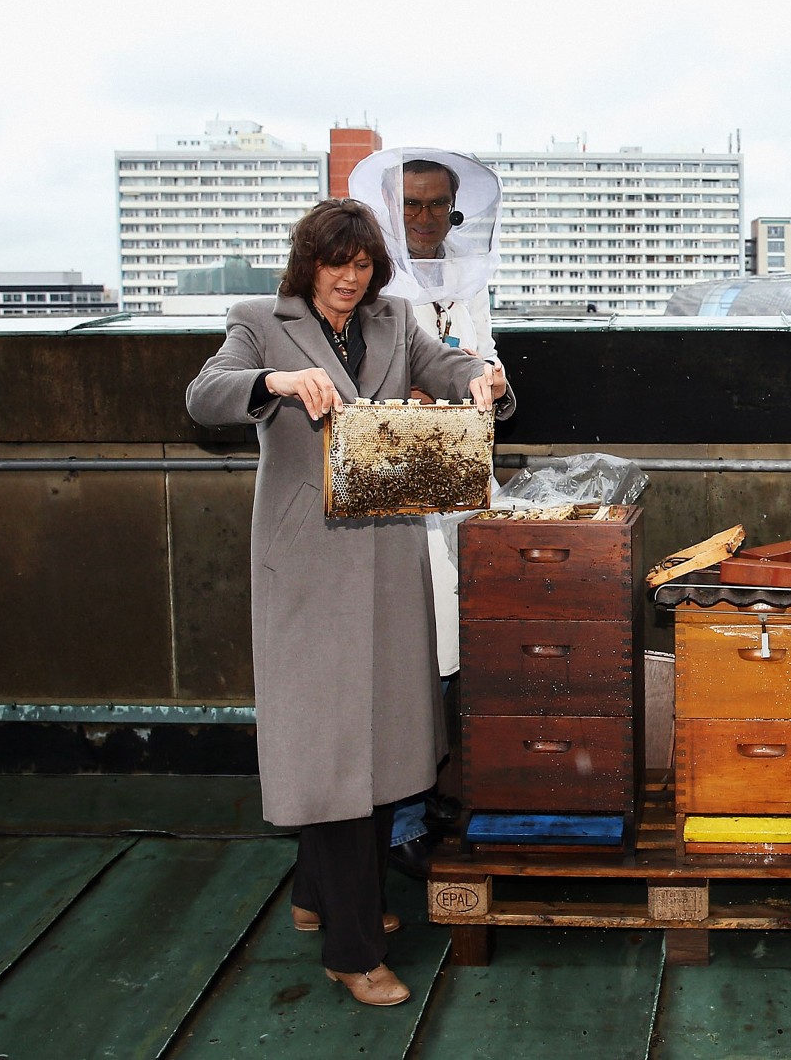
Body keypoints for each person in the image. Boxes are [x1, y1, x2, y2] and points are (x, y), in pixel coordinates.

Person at [185, 199, 514, 1008]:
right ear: (308, 263)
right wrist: (274, 381)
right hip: (307, 568)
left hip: (389, 562)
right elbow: (205, 395)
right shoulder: (258, 320)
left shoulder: (396, 321)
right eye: (336, 263)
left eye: (363, 264)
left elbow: (451, 370)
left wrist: (485, 378)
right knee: (330, 745)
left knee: (380, 735)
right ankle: (353, 947)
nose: (349, 278)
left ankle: (316, 894)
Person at [348, 148, 510, 877]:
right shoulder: (369, 278)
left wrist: (491, 381)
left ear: (456, 210)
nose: (423, 217)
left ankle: (431, 792)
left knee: (460, 641)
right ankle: (400, 820)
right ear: (391, 208)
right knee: (410, 649)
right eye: (410, 204)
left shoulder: (468, 278)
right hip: (395, 480)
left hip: (461, 474)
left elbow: (483, 357)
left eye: (437, 204)